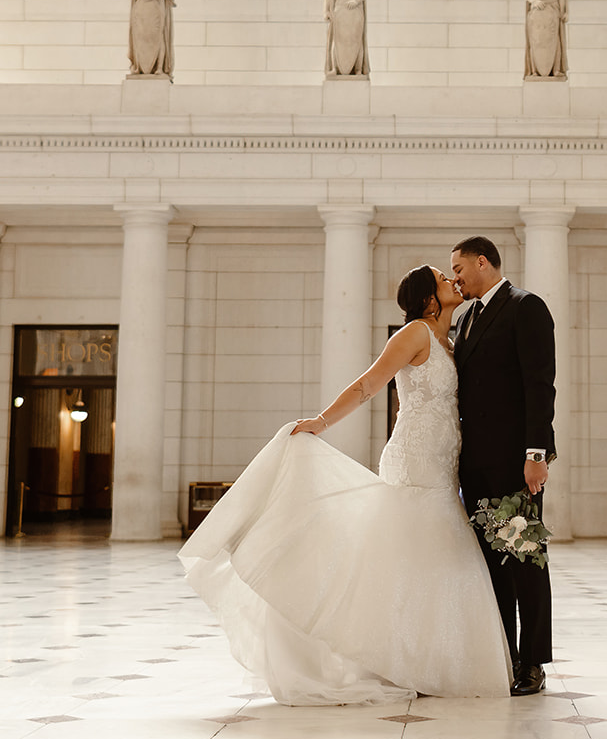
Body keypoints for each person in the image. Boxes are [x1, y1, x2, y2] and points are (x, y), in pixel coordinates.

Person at [179, 265, 510, 704]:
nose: (452, 280)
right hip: (414, 460)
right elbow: (369, 383)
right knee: (417, 547)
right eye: (441, 277)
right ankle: (404, 658)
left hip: (444, 460)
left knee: (430, 554)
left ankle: (423, 656)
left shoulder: (450, 341)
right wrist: (321, 422)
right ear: (429, 298)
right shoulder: (413, 333)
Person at [450, 236, 556, 697]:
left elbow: (540, 385)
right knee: (494, 565)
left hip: (514, 466)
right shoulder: (464, 317)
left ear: (481, 261)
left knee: (523, 560)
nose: (454, 276)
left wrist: (536, 455)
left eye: (458, 267)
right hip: (474, 466)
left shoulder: (525, 306)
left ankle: (532, 662)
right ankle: (506, 656)